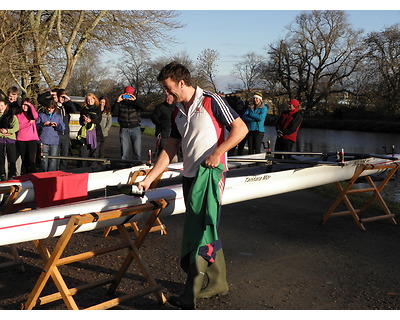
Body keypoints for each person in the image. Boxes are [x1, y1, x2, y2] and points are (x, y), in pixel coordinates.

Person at [138, 62, 248, 310]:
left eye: (168, 88)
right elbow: (170, 148)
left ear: (181, 82)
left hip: (210, 175)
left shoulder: (211, 100)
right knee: (205, 227)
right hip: (189, 177)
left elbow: (241, 129)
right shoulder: (177, 111)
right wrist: (149, 179)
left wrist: (218, 152)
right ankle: (219, 282)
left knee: (201, 230)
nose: (166, 93)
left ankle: (190, 293)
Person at [112, 86, 145, 162]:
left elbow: (144, 108)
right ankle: (124, 166)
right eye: (126, 93)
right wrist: (118, 101)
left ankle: (136, 165)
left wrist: (135, 101)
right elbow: (114, 112)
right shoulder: (120, 103)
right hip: (124, 128)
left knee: (137, 151)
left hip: (135, 128)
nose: (128, 95)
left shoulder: (136, 103)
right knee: (124, 152)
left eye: (129, 93)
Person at [36, 100, 65, 172]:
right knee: (44, 159)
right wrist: (43, 124)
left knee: (53, 159)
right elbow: (36, 126)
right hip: (44, 140)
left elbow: (63, 127)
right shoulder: (41, 115)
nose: (50, 109)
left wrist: (56, 125)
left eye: (52, 108)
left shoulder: (58, 116)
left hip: (54, 141)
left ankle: (51, 174)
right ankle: (43, 174)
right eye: (49, 108)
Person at [77, 93, 103, 167]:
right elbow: (80, 122)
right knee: (83, 154)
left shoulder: (98, 109)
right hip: (85, 135)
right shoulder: (83, 109)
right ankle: (83, 170)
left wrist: (91, 120)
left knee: (94, 154)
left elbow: (98, 120)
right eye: (88, 99)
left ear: (95, 100)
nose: (90, 101)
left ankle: (93, 170)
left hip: (95, 134)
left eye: (91, 99)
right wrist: (84, 121)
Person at [56, 89, 78, 170]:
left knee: (64, 155)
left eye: (64, 97)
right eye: (61, 97)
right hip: (57, 134)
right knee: (56, 154)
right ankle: (56, 170)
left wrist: (68, 100)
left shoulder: (66, 107)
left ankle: (63, 170)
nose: (62, 99)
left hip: (65, 134)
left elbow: (74, 110)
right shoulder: (54, 107)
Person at [15, 98, 39, 174]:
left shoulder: (32, 114)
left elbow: (35, 116)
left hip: (32, 140)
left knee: (32, 160)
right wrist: (29, 123)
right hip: (21, 140)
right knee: (24, 159)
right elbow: (19, 127)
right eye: (24, 104)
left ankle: (33, 176)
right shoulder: (18, 115)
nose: (25, 106)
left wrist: (30, 106)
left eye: (27, 105)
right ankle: (24, 175)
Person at [0, 99, 19, 180]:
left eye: (2, 105)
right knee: (1, 158)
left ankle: (12, 174)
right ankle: (2, 174)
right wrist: (2, 133)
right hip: (0, 139)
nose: (0, 108)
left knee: (12, 158)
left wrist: (8, 131)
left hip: (10, 140)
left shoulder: (12, 116)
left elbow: (16, 127)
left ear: (5, 106)